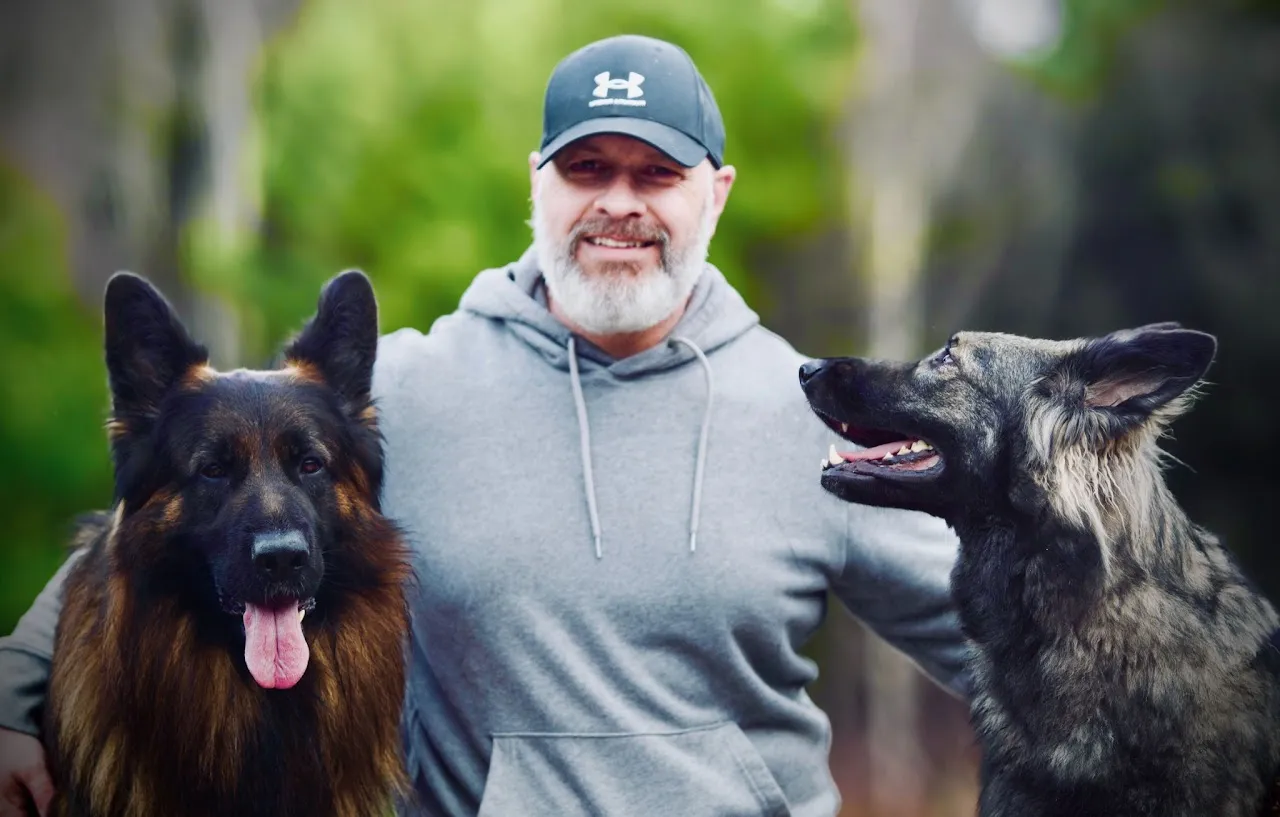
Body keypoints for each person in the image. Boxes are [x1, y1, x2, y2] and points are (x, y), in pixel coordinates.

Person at [0, 34, 969, 817]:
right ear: (536, 184)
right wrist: (13, 704)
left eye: (655, 173)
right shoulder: (402, 390)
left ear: (713, 193)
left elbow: (1003, 626)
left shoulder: (810, 415)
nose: (618, 203)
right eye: (586, 167)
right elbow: (144, 537)